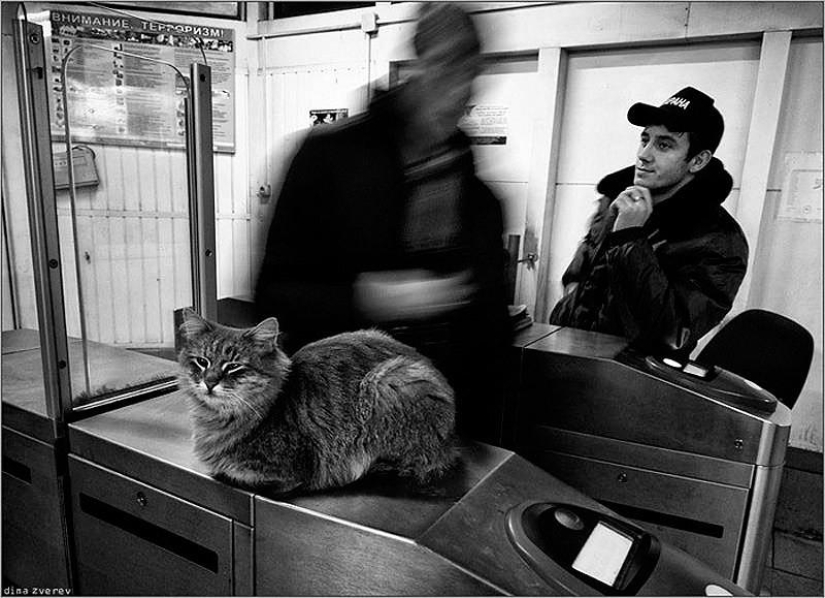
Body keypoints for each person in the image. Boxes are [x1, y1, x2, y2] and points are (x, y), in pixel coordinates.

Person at [255, 3, 512, 443]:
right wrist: (368, 298)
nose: (456, 93)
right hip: (335, 420)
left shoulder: (479, 201)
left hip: (436, 429)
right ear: (416, 65)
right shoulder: (327, 160)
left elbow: (490, 339)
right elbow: (272, 295)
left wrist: (487, 442)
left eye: (468, 76)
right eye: (445, 68)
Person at [549, 86, 748, 358]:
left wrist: (630, 239)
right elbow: (576, 273)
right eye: (645, 139)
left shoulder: (719, 241)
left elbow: (672, 335)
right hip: (574, 355)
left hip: (637, 382)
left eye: (664, 144)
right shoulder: (616, 201)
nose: (644, 154)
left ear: (698, 161)